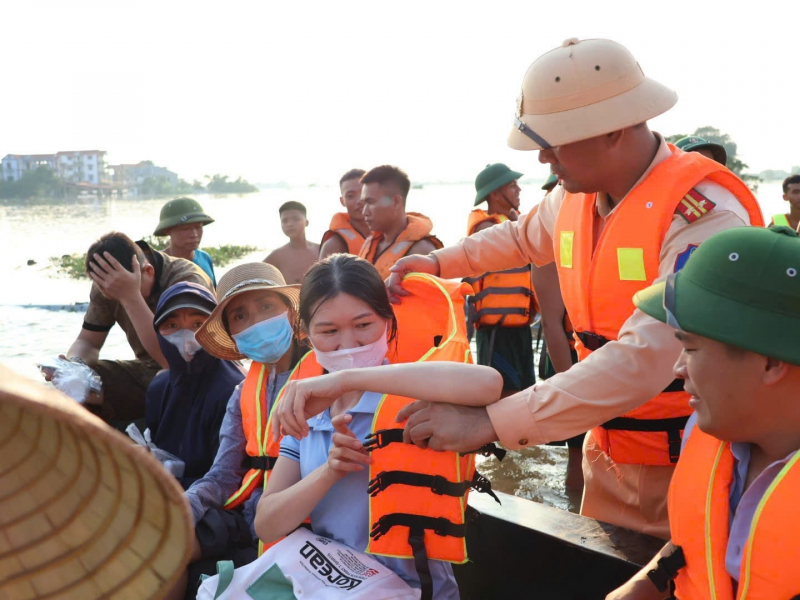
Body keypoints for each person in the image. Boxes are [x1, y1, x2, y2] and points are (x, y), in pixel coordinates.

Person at [387, 38, 764, 538]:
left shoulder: (703, 216)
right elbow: (519, 238)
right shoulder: (576, 196)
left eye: (555, 140)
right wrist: (438, 261)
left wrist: (490, 423)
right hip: (605, 451)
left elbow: (644, 357)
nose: (544, 157)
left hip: (691, 461)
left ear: (612, 131)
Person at [254, 254, 503, 599]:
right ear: (306, 335)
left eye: (363, 325)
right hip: (336, 585)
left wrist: (345, 379)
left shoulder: (417, 393)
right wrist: (329, 471)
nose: (348, 345)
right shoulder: (308, 414)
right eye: (329, 331)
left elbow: (490, 384)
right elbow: (267, 524)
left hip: (416, 591)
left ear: (388, 321)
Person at [607, 226, 800, 599]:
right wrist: (639, 588)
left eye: (691, 349)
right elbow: (695, 543)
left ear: (771, 363)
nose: (678, 368)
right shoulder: (711, 431)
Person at [171, 262, 305, 599]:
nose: (255, 321)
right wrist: (185, 505)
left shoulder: (323, 378)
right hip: (246, 515)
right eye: (240, 316)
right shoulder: (242, 393)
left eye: (266, 306)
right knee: (162, 548)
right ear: (232, 333)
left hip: (303, 519)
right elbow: (223, 475)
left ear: (290, 312)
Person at [55, 232, 212, 428]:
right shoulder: (108, 282)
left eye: (118, 288)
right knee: (82, 383)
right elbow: (88, 342)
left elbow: (176, 362)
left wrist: (130, 296)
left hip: (196, 373)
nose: (111, 291)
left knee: (166, 380)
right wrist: (73, 370)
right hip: (149, 370)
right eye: (105, 287)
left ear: (148, 271)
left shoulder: (186, 280)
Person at [145, 281, 245, 490]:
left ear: (217, 330)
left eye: (198, 324)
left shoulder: (233, 392)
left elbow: (230, 482)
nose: (186, 339)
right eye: (172, 326)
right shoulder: (158, 389)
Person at [465, 163, 536, 396]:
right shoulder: (486, 230)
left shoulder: (513, 223)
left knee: (526, 392)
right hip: (497, 333)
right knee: (503, 393)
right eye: (512, 185)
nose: (519, 190)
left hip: (519, 329)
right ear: (495, 194)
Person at [358, 165, 443, 278]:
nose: (364, 212)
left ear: (396, 202)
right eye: (364, 203)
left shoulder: (421, 251)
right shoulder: (371, 241)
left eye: (371, 202)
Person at [154, 196, 218, 286]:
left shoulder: (205, 258)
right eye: (185, 228)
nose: (194, 234)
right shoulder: (157, 264)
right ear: (168, 231)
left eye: (198, 227)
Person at [263, 201, 320, 284]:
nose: (290, 224)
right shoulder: (277, 256)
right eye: (285, 221)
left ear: (306, 222)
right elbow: (256, 276)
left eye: (296, 219)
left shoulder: (320, 249)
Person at [319, 168, 370, 258]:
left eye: (364, 192)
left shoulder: (391, 235)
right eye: (350, 196)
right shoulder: (334, 245)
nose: (359, 200)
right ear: (342, 201)